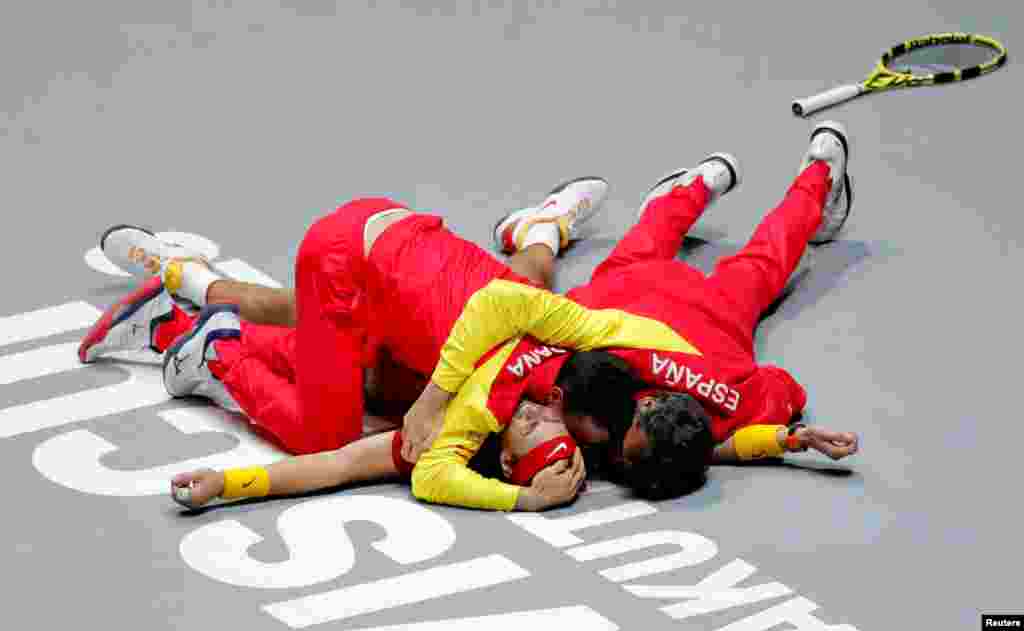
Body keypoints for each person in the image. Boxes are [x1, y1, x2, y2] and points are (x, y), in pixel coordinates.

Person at [402, 121, 861, 499]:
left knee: (755, 256)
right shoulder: (573, 382)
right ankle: (812, 173)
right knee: (761, 258)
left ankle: (739, 176)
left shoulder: (730, 403)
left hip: (653, 295)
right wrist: (783, 436)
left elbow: (778, 394)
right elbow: (752, 420)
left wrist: (790, 437)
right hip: (676, 306)